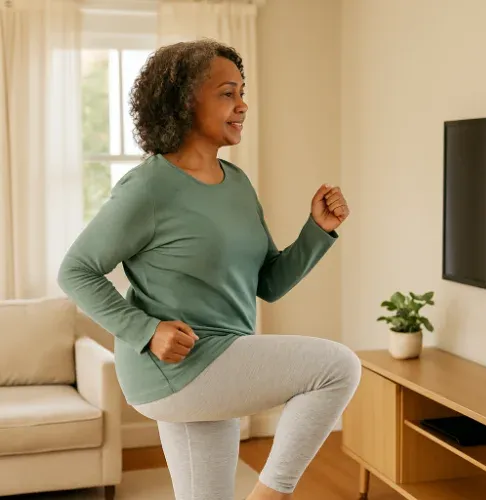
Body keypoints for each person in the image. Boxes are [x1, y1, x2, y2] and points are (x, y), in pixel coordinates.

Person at [58, 39, 361, 500]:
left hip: (221, 357)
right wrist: (146, 330)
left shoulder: (236, 183)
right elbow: (76, 270)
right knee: (338, 366)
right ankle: (271, 495)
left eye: (242, 92)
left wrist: (316, 231)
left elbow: (269, 283)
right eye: (227, 93)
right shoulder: (149, 187)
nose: (242, 105)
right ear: (185, 103)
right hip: (174, 365)